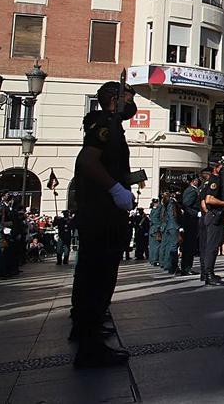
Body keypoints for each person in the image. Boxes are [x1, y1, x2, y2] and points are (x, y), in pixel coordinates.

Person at [70, 80, 137, 368]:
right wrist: (115, 189)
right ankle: (90, 347)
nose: (132, 104)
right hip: (101, 214)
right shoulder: (105, 123)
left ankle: (89, 332)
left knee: (94, 276)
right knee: (98, 277)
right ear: (114, 98)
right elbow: (88, 161)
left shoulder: (111, 124)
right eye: (128, 97)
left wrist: (126, 182)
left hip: (103, 212)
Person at [199, 163, 224, 286]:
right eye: (221, 167)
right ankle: (209, 274)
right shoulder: (215, 180)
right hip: (214, 216)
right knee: (212, 247)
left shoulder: (209, 181)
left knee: (211, 247)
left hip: (212, 216)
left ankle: (208, 273)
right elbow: (209, 199)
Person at [179, 175, 202, 275]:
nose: (198, 181)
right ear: (193, 181)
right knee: (189, 245)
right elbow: (186, 205)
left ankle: (188, 267)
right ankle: (186, 268)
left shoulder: (194, 190)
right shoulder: (191, 191)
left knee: (191, 245)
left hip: (192, 221)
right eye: (197, 180)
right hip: (190, 221)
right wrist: (196, 213)